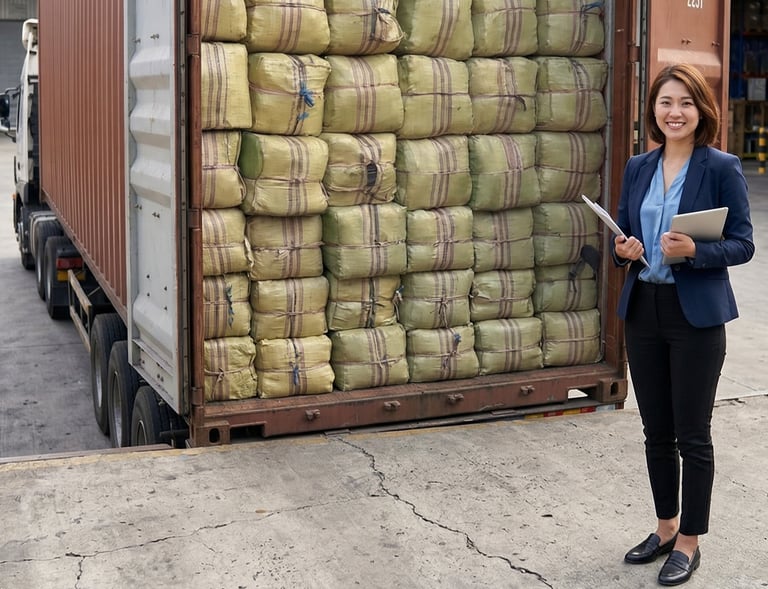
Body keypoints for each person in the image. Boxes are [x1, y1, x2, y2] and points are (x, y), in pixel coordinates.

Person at [612, 63, 755, 586]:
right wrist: (622, 248)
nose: (674, 112)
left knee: (693, 435)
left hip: (695, 317)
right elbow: (624, 232)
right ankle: (665, 527)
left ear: (702, 111)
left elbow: (743, 243)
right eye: (666, 102)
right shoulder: (638, 167)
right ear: (653, 109)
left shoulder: (721, 166)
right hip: (643, 309)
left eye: (686, 103)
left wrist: (696, 251)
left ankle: (691, 541)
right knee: (656, 432)